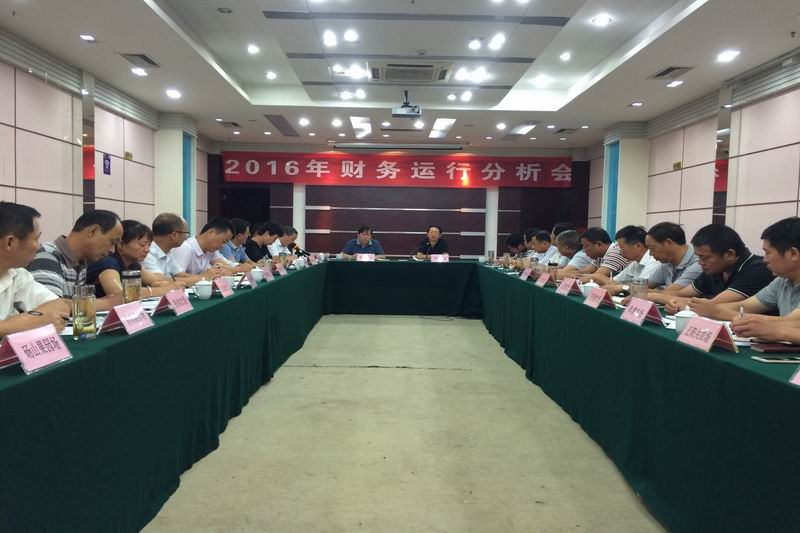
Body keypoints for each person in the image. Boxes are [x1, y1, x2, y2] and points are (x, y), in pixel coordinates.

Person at [691, 218, 800, 329]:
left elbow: (792, 322)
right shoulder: (782, 281)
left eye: (768, 253)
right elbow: (745, 306)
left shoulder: (758, 269)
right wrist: (708, 308)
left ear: (793, 254)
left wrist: (718, 312)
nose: (764, 260)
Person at [660, 224, 772, 314]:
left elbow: (710, 306)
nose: (700, 262)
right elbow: (681, 294)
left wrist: (684, 306)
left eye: (704, 257)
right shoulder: (716, 269)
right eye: (699, 257)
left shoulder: (759, 269)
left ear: (730, 254)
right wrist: (672, 302)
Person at [28, 209, 124, 310]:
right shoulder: (48, 255)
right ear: (93, 231)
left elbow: (75, 305)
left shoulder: (81, 262)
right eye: (112, 242)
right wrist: (108, 303)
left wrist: (105, 301)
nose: (112, 250)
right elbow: (48, 306)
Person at [0, 202, 69, 335]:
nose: (39, 247)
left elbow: (60, 307)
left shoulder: (16, 274)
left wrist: (26, 321)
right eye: (36, 239)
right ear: (10, 242)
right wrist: (30, 322)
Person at [86, 220, 183, 299]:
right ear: (121, 244)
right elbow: (120, 296)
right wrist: (160, 290)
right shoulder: (108, 263)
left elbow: (161, 282)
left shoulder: (134, 265)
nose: (147, 250)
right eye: (142, 244)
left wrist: (160, 286)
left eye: (149, 245)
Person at [634, 222, 702, 304]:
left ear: (668, 243)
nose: (651, 254)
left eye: (652, 248)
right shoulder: (667, 263)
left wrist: (643, 293)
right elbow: (644, 286)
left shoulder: (699, 263)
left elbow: (669, 293)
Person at [143, 213, 207, 286]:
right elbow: (161, 280)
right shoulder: (146, 252)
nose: (186, 237)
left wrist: (202, 278)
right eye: (186, 233)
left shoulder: (167, 251)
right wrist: (203, 279)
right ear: (174, 235)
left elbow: (181, 275)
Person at [169, 217, 242, 276]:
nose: (223, 246)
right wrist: (204, 277)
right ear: (211, 232)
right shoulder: (185, 249)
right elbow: (176, 279)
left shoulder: (210, 249)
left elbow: (225, 264)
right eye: (223, 241)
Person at [603, 225, 662, 294]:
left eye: (621, 247)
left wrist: (621, 287)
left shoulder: (654, 261)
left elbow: (641, 288)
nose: (619, 252)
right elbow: (615, 282)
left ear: (638, 245)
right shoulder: (635, 263)